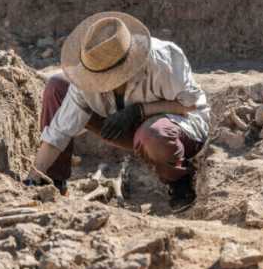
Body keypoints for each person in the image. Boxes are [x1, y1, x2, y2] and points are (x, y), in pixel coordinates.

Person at [29, 11, 210, 209]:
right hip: (124, 128)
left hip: (179, 127)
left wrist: (139, 111)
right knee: (57, 85)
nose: (102, 83)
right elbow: (59, 132)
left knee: (153, 134)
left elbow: (191, 105)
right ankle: (53, 181)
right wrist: (35, 175)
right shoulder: (86, 76)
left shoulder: (163, 60)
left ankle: (179, 181)